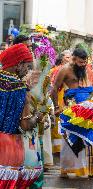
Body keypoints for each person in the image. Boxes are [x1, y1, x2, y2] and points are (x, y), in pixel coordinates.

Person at [51, 48, 93, 178]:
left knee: (90, 138)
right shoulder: (64, 69)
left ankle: (92, 170)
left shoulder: (86, 70)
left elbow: (91, 88)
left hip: (87, 109)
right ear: (73, 59)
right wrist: (56, 107)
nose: (83, 65)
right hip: (71, 109)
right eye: (80, 62)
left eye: (85, 62)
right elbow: (54, 88)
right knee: (71, 138)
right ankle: (67, 169)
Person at [0, 44, 42, 188]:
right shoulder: (19, 88)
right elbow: (25, 124)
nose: (27, 71)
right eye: (27, 67)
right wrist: (37, 116)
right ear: (18, 65)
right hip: (8, 150)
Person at [50, 50, 71, 153]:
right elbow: (53, 88)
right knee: (56, 123)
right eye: (67, 57)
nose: (69, 59)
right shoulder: (58, 70)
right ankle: (56, 149)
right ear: (62, 58)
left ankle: (58, 148)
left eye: (70, 57)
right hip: (56, 98)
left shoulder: (66, 70)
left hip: (62, 98)